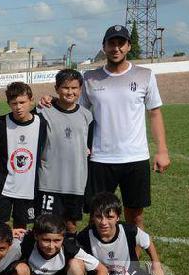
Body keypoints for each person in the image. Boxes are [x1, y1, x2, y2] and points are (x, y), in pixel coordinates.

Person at [39, 25, 170, 229]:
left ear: (128, 46)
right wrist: (52, 99)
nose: (116, 48)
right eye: (111, 43)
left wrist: (162, 151)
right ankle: (95, 261)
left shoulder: (145, 75)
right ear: (104, 46)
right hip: (100, 158)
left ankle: (133, 259)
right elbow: (74, 107)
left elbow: (154, 113)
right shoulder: (90, 78)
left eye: (121, 43)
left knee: (135, 216)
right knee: (96, 216)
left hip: (135, 157)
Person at [75, 192, 165, 275]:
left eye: (109, 217)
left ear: (117, 217)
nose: (103, 222)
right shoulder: (85, 236)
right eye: (98, 217)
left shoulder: (129, 230)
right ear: (92, 217)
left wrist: (156, 265)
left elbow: (148, 242)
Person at [35, 69, 95, 233]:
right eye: (65, 88)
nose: (70, 92)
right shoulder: (42, 112)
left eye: (74, 88)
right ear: (56, 89)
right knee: (46, 226)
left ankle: (69, 258)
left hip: (75, 183)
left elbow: (89, 149)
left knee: (70, 226)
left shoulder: (87, 116)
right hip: (49, 182)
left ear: (80, 90)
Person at [0, 82, 48, 229]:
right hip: (4, 186)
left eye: (22, 102)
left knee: (21, 229)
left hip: (27, 186)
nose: (18, 107)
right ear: (8, 104)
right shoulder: (0, 123)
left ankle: (19, 253)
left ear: (31, 100)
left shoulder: (41, 123)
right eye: (14, 103)